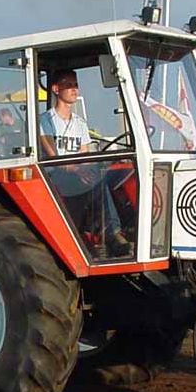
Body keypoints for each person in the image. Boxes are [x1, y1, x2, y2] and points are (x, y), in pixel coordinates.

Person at [39, 69, 131, 257]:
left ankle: (126, 229)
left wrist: (89, 168)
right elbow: (54, 157)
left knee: (113, 176)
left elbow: (85, 155)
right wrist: (78, 170)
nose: (74, 89)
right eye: (68, 85)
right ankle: (111, 232)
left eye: (75, 85)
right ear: (56, 89)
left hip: (76, 173)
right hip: (54, 176)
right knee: (98, 182)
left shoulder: (80, 123)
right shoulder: (45, 120)